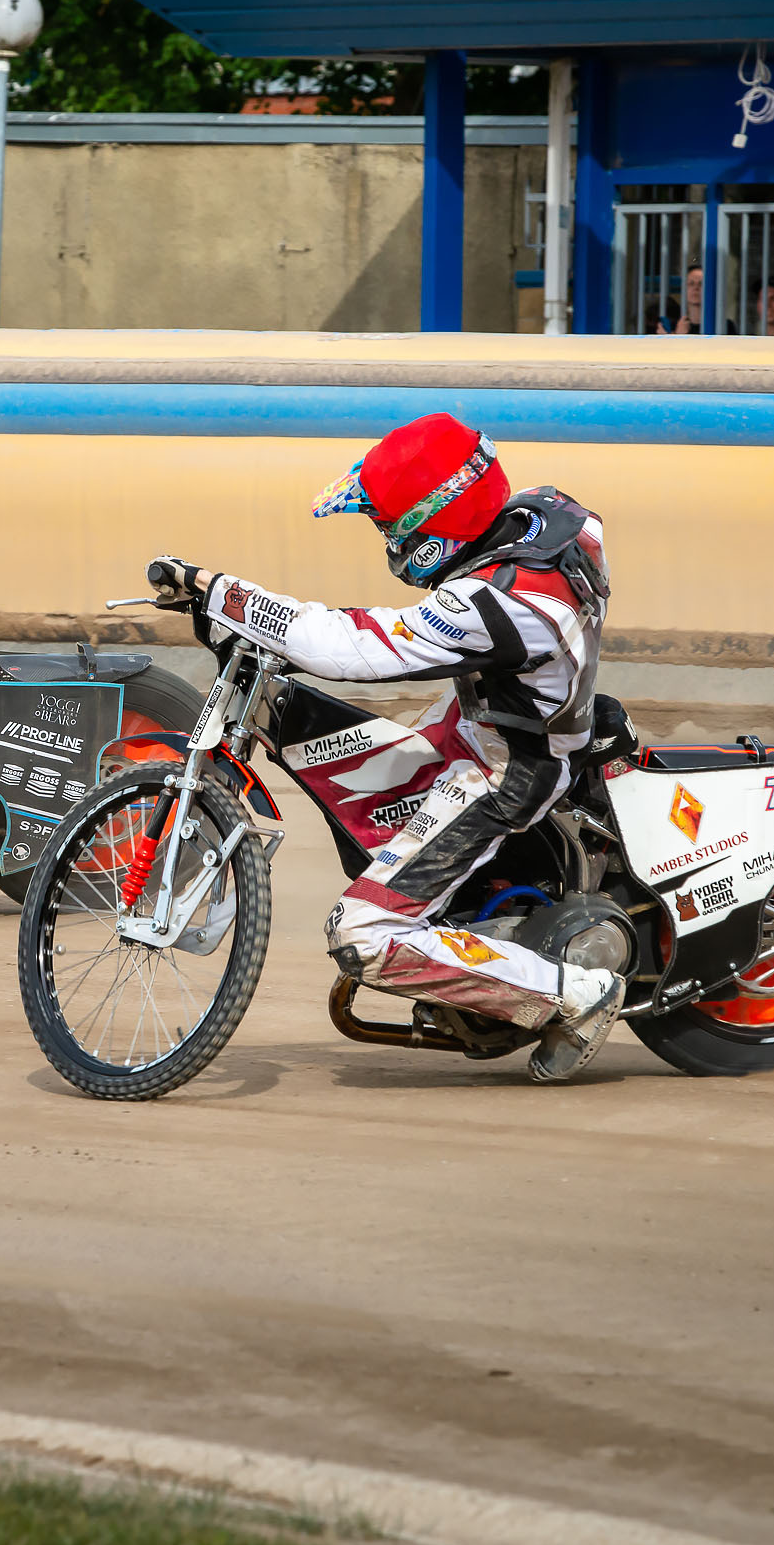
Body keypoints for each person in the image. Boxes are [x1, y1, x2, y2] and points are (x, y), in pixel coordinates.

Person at [145, 413, 626, 1084]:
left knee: (361, 933)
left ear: (438, 521)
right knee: (357, 780)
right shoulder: (544, 517)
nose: (389, 537)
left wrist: (220, 590)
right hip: (488, 718)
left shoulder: (499, 603)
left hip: (508, 766)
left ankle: (575, 995)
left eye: (391, 524)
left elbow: (354, 648)